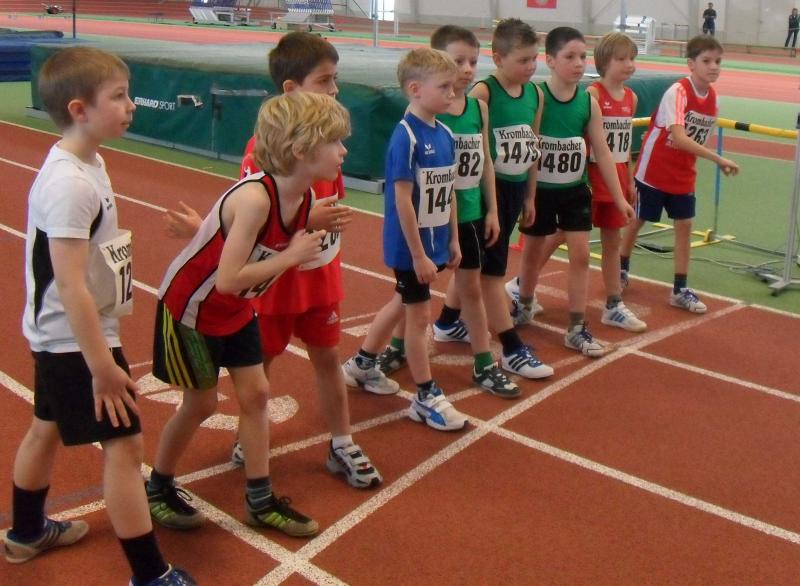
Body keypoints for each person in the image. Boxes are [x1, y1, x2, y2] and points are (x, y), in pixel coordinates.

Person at [3, 47, 194, 585]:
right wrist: (103, 366)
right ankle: (150, 574)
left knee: (47, 427)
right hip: (74, 340)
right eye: (120, 96)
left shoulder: (89, 162)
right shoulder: (71, 184)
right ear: (79, 109)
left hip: (64, 335)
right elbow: (69, 283)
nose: (131, 105)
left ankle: (26, 533)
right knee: (125, 447)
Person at [166, 32, 382, 490]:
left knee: (328, 356)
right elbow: (252, 213)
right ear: (290, 88)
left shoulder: (328, 147)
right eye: (324, 81)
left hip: (319, 276)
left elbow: (327, 205)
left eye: (336, 80)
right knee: (259, 362)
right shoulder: (263, 153)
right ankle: (249, 434)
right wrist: (207, 229)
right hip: (275, 283)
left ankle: (342, 442)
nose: (334, 90)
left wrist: (324, 223)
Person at [146, 92, 343, 538]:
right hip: (192, 310)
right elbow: (228, 278)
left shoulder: (302, 196)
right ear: (301, 149)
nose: (343, 151)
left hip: (236, 310)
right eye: (334, 142)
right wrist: (291, 256)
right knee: (201, 404)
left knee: (256, 395)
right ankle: (157, 486)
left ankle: (260, 499)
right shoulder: (256, 198)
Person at [373, 25, 521, 399]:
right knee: (411, 298)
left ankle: (484, 363)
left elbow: (483, 162)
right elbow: (405, 191)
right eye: (458, 62)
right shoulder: (420, 120)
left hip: (463, 215)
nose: (467, 70)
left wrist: (491, 210)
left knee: (467, 289)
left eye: (472, 61)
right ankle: (391, 352)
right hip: (426, 227)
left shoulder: (474, 110)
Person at [343, 47, 468, 431]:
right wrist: (417, 255)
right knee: (419, 317)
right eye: (443, 87)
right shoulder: (406, 137)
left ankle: (362, 363)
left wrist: (453, 239)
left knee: (402, 301)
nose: (452, 93)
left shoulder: (445, 133)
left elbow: (447, 192)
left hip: (434, 243)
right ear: (415, 89)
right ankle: (426, 395)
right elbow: (401, 201)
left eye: (452, 87)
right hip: (410, 247)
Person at [508, 27, 635, 358]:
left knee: (580, 254)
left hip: (574, 190)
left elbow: (603, 152)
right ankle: (524, 303)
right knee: (532, 253)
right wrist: (526, 194)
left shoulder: (587, 103)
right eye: (570, 57)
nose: (579, 63)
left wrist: (619, 197)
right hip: (540, 190)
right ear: (550, 60)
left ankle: (577, 327)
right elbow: (526, 142)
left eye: (582, 56)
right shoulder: (535, 97)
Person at [620, 35, 739, 313]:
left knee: (684, 225)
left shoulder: (713, 100)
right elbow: (679, 136)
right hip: (654, 169)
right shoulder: (678, 92)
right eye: (706, 61)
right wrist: (718, 158)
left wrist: (701, 158)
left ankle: (680, 288)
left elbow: (696, 139)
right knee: (638, 219)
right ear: (691, 64)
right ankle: (621, 268)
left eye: (718, 61)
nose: (714, 67)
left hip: (683, 173)